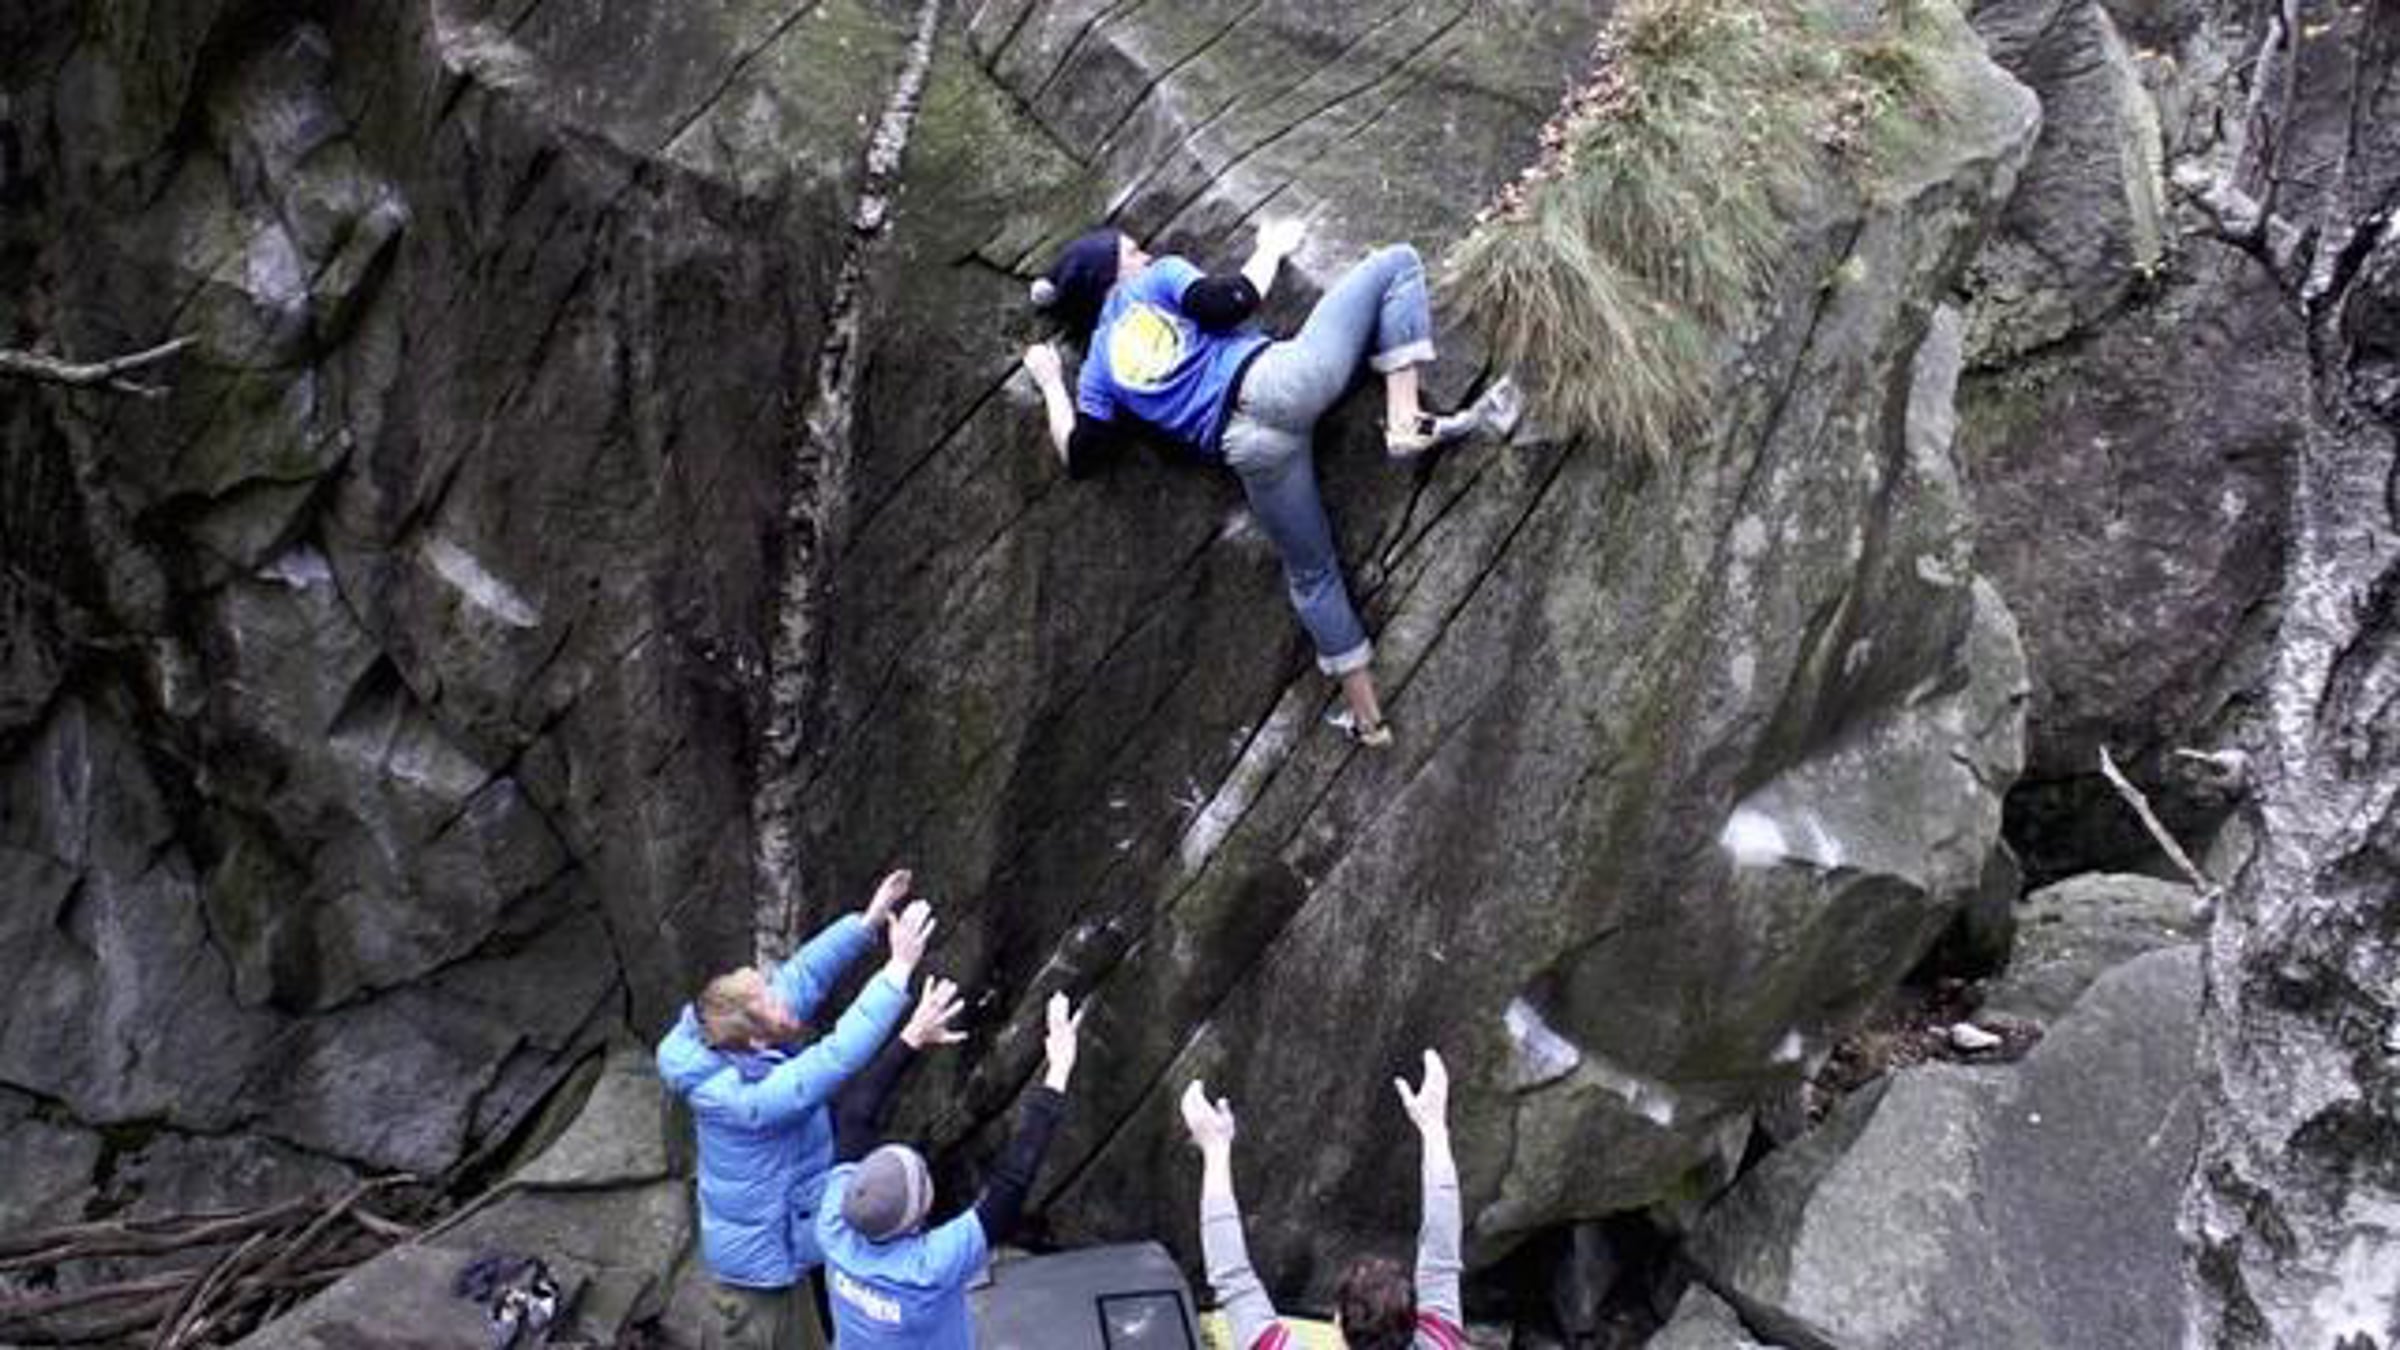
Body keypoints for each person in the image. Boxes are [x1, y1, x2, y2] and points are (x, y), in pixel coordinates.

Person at [1021, 222, 1488, 748]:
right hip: (1277, 382)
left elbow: (1081, 455)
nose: (1146, 253)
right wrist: (1270, 247)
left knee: (1312, 574)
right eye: (1132, 251)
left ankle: (1368, 720)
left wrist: (1051, 384)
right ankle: (1404, 418)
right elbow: (1231, 301)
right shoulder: (1157, 279)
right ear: (1109, 271)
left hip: (1249, 450)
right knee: (1397, 260)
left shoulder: (1098, 371)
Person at [655, 870, 939, 1350]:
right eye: (773, 1005)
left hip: (783, 1234)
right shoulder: (748, 1102)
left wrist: (866, 922)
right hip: (761, 1274)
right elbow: (835, 1057)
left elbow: (801, 978)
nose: (783, 1000)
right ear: (757, 1042)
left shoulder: (725, 1033)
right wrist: (898, 971)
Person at [815, 992, 1088, 1348]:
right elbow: (1011, 1183)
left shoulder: (833, 1228)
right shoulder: (928, 1270)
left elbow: (854, 1116)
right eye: (922, 1178)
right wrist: (1060, 1069)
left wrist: (911, 1036)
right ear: (917, 1215)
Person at [1179, 1050, 1466, 1350]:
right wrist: (1434, 1127)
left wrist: (1214, 1147)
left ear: (1338, 1322)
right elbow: (1232, 1278)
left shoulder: (1442, 1335)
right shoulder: (1441, 1340)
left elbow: (1234, 1279)